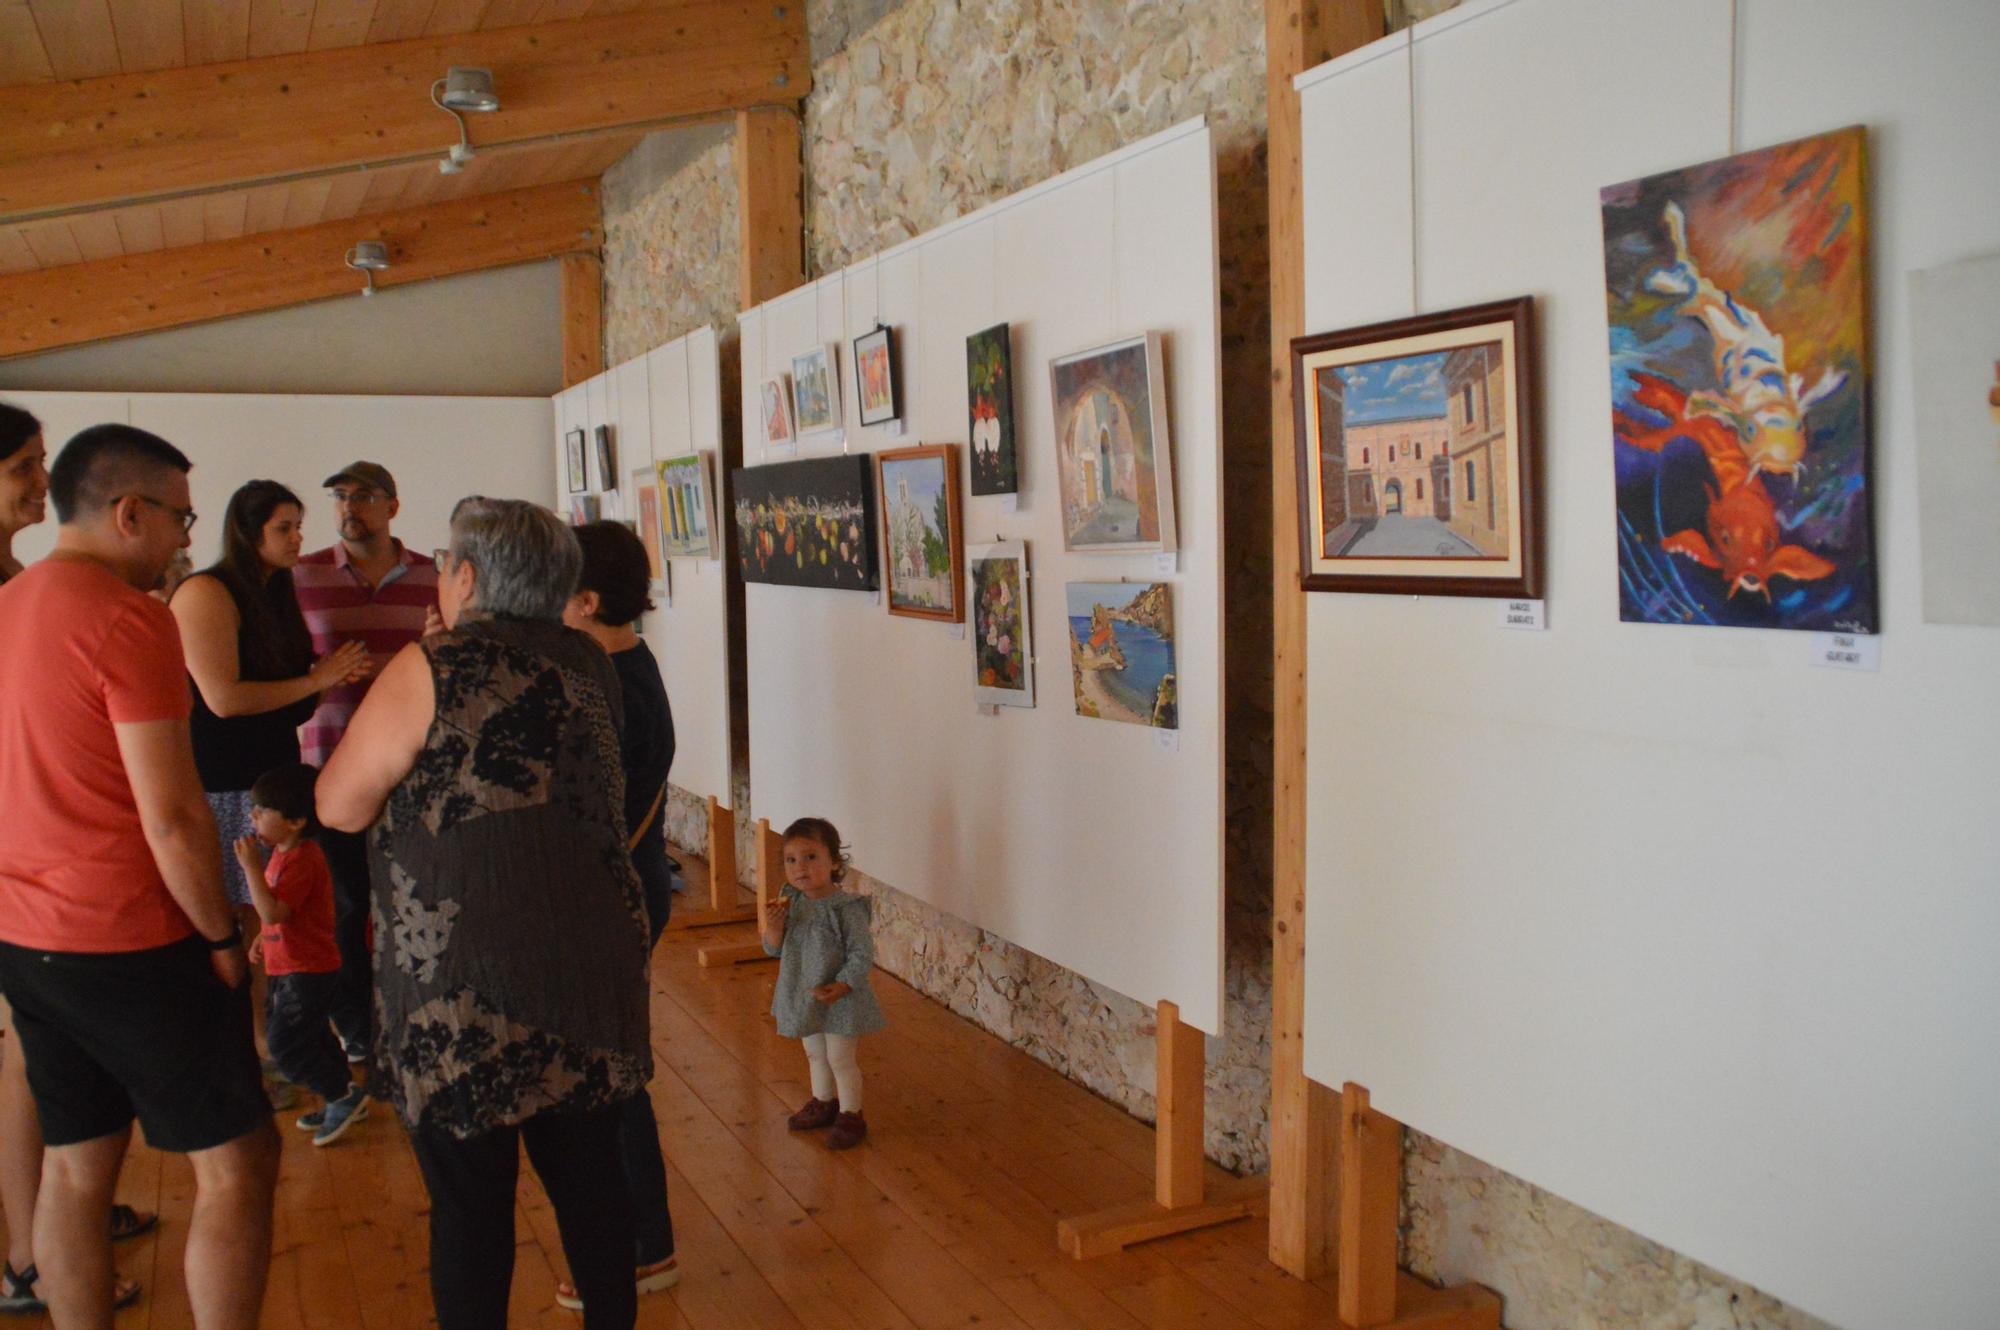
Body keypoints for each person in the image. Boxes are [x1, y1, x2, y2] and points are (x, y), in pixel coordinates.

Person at [316, 497, 650, 1330]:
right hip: (587, 963)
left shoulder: (434, 664)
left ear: (465, 575)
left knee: (471, 1206)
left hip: (465, 979)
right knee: (591, 1187)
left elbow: (339, 805)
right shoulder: (589, 658)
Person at [0, 424, 278, 1330]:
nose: (184, 541)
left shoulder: (9, 605)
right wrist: (219, 936)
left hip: (30, 938)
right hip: (132, 935)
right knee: (236, 1161)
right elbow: (171, 814)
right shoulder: (129, 620)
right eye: (179, 518)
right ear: (129, 513)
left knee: (76, 1165)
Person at [0, 404, 153, 1316]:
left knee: (36, 1053)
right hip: (27, 866)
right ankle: (30, 1255)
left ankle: (55, 1225)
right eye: (24, 464)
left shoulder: (20, 582)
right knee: (24, 1058)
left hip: (36, 862)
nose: (38, 480)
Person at [171, 482, 371, 1073]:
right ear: (248, 531)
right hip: (224, 785)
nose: (297, 538)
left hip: (275, 781)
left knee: (283, 918)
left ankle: (283, 1045)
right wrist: (317, 679)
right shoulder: (206, 591)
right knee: (242, 921)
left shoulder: (276, 591)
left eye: (297, 526)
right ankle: (250, 1048)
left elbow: (291, 705)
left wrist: (324, 680)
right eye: (284, 527)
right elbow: (224, 699)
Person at [553, 522, 677, 1311]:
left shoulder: (614, 682)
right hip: (624, 890)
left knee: (612, 1077)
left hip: (616, 897)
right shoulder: (617, 665)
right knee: (608, 1071)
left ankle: (645, 1246)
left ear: (588, 600)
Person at [293, 461, 438, 1064]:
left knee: (415, 897)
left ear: (393, 507)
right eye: (340, 497)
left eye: (364, 496)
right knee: (346, 903)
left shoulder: (435, 576)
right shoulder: (302, 577)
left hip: (416, 767)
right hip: (328, 764)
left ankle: (418, 1012)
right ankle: (356, 1024)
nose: (349, 507)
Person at [230, 764, 370, 1147]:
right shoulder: (282, 852)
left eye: (261, 810)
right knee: (313, 1036)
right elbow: (276, 915)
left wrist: (249, 870)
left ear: (294, 821)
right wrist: (264, 937)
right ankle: (343, 1094)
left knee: (285, 1045)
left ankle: (341, 1097)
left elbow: (275, 910)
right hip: (291, 965)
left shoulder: (303, 859)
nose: (252, 815)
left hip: (307, 970)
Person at [760, 817, 885, 1151]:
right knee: (814, 1054)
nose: (800, 867)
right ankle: (823, 1101)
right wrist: (773, 928)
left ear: (834, 862)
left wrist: (843, 985)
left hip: (841, 998)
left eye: (811, 857)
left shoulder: (845, 909)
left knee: (841, 1058)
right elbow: (773, 949)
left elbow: (861, 954)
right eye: (791, 860)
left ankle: (851, 1114)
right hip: (805, 996)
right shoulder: (791, 902)